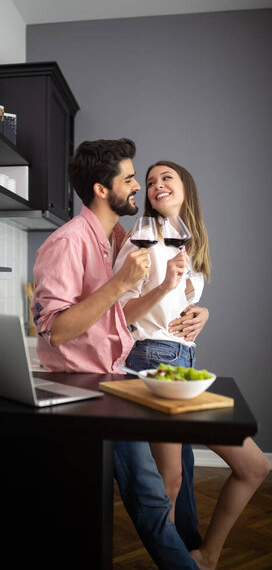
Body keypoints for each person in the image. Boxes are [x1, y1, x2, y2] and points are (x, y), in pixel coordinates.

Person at [32, 139, 203, 569]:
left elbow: (123, 317)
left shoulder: (119, 238)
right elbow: (54, 330)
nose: (137, 186)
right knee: (149, 492)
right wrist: (121, 283)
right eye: (130, 178)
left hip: (114, 377)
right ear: (101, 189)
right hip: (81, 388)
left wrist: (189, 305)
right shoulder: (67, 242)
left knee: (164, 481)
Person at [113, 160, 270, 570]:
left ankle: (207, 556)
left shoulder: (189, 242)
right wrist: (165, 286)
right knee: (170, 480)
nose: (156, 185)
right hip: (150, 362)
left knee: (253, 466)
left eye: (166, 178)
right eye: (149, 181)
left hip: (183, 364)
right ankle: (179, 563)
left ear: (187, 189)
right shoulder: (142, 239)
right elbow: (118, 314)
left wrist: (203, 312)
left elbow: (177, 308)